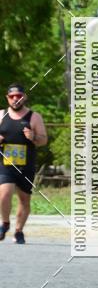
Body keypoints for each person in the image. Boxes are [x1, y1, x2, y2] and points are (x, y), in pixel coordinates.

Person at [0, 84, 48, 243]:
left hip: (26, 165)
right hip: (5, 164)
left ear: (24, 97)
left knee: (24, 199)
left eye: (19, 96)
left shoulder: (34, 117)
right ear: (7, 98)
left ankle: (19, 231)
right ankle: (5, 223)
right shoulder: (1, 115)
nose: (15, 99)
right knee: (4, 194)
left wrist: (33, 137)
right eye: (12, 96)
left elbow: (43, 140)